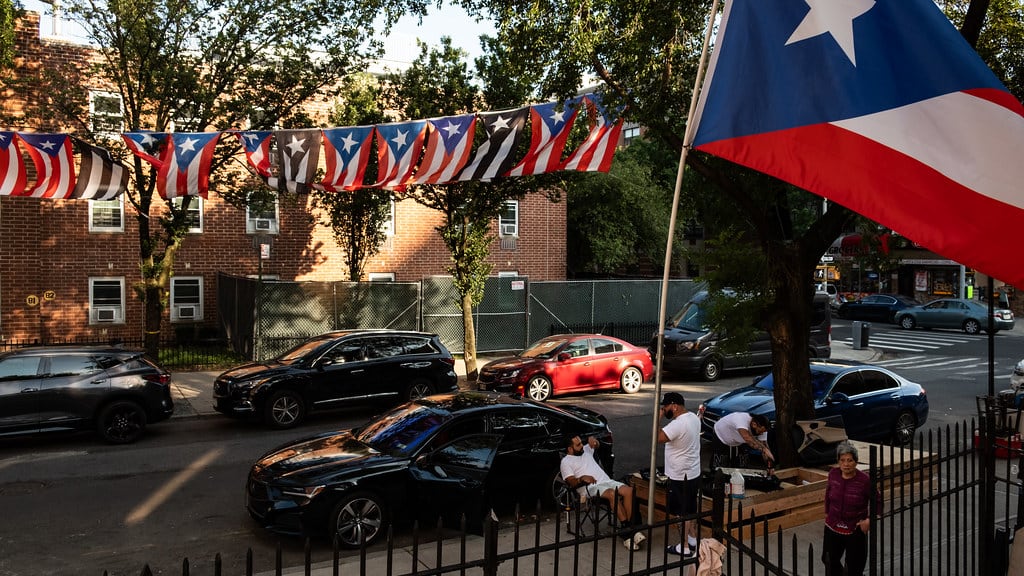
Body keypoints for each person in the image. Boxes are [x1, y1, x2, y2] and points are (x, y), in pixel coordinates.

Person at [560, 435, 646, 550]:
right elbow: (571, 482)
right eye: (578, 445)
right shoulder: (566, 462)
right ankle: (628, 533)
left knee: (629, 491)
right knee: (611, 493)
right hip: (589, 488)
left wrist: (594, 440)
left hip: (607, 481)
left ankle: (628, 529)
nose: (581, 446)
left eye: (581, 443)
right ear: (570, 449)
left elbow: (596, 445)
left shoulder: (585, 450)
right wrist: (581, 478)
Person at [822, 441, 881, 576]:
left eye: (850, 460)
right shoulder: (833, 474)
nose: (846, 464)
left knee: (854, 567)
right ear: (838, 461)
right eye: (842, 460)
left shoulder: (864, 480)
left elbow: (877, 501)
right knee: (829, 560)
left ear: (856, 462)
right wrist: (827, 512)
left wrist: (870, 520)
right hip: (832, 526)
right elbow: (828, 494)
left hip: (855, 529)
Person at [656, 391, 702, 557]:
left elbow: (657, 437)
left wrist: (658, 418)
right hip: (693, 471)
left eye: (665, 406)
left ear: (674, 406)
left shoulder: (677, 425)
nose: (664, 409)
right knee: (690, 509)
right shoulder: (693, 419)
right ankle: (692, 540)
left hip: (679, 474)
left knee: (680, 512)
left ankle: (684, 546)